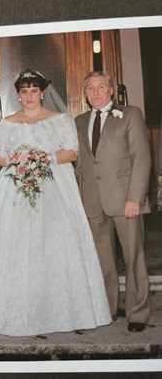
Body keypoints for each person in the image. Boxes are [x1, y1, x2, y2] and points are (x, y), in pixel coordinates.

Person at [0, 69, 111, 336]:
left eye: (33, 91)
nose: (29, 96)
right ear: (19, 95)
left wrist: (41, 160)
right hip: (14, 189)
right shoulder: (7, 123)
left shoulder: (59, 120)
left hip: (53, 189)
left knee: (52, 247)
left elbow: (71, 152)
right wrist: (19, 161)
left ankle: (59, 309)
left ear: (42, 93)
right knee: (13, 247)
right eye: (24, 91)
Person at [75, 71, 151, 332]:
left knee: (133, 257)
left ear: (111, 90)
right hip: (93, 201)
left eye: (100, 87)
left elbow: (142, 158)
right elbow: (81, 165)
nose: (95, 92)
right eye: (90, 88)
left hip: (125, 200)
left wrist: (135, 198)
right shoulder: (79, 121)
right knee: (102, 259)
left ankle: (137, 312)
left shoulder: (130, 114)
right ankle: (107, 307)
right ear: (85, 93)